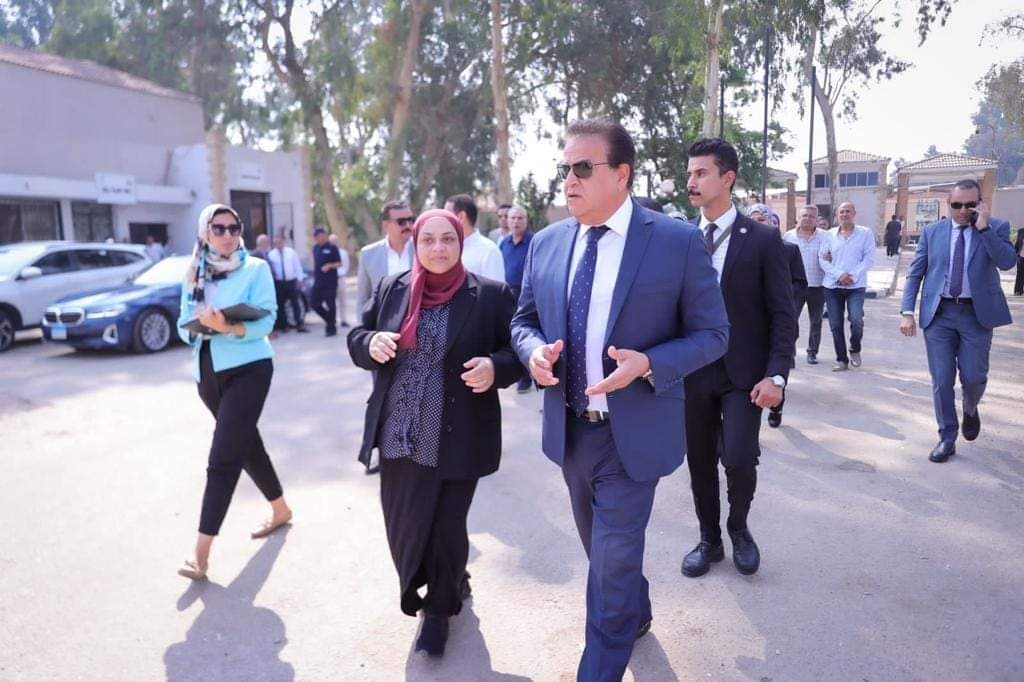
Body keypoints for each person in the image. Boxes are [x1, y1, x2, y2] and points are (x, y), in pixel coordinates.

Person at [510, 119, 729, 680]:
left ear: (622, 174)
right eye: (565, 169)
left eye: (584, 168)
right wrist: (533, 352)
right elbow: (523, 320)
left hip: (632, 434)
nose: (570, 180)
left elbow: (713, 334)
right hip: (570, 430)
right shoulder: (547, 243)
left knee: (608, 568)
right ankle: (638, 611)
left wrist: (649, 363)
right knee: (605, 551)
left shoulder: (676, 241)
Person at [347, 209, 522, 657]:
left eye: (448, 239)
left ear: (461, 243)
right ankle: (450, 578)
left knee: (446, 526)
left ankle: (440, 609)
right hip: (400, 431)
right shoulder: (393, 287)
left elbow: (516, 352)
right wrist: (369, 343)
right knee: (406, 525)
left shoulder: (489, 295)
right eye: (428, 240)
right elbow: (358, 335)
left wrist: (495, 367)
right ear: (416, 244)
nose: (438, 248)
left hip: (458, 431)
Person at [680, 138, 795, 581]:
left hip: (744, 373)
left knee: (740, 457)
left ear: (727, 178)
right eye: (689, 173)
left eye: (701, 173)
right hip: (692, 372)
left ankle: (739, 528)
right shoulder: (680, 239)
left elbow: (783, 314)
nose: (691, 181)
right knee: (699, 461)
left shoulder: (762, 239)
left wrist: (777, 376)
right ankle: (709, 538)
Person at [175, 204, 292, 581]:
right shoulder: (194, 272)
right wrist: (199, 325)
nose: (227, 235)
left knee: (223, 457)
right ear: (204, 233)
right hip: (207, 374)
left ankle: (201, 554)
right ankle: (280, 509)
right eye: (218, 228)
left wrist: (227, 326)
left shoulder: (255, 269)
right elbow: (181, 329)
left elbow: (268, 320)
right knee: (245, 443)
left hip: (250, 369)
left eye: (234, 228)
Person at [899, 179, 1017, 463]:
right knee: (942, 380)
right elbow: (916, 273)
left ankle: (970, 407)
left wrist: (984, 229)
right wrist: (907, 312)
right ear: (948, 203)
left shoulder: (996, 227)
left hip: (976, 315)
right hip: (939, 314)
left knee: (974, 377)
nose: (963, 210)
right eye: (957, 205)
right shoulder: (932, 232)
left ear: (980, 203)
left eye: (970, 205)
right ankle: (947, 437)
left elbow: (1007, 262)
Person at [820, 201, 874, 371]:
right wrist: (839, 275)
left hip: (856, 286)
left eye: (848, 211)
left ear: (854, 214)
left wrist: (852, 276)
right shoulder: (829, 235)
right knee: (835, 324)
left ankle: (855, 348)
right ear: (837, 215)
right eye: (842, 212)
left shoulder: (865, 233)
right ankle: (841, 359)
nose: (844, 214)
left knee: (856, 319)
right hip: (832, 286)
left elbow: (869, 259)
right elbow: (822, 259)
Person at [783, 205, 829, 364]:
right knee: (790, 320)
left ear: (816, 219)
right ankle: (789, 354)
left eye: (811, 216)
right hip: (795, 286)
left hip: (817, 285)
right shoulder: (788, 236)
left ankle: (812, 352)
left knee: (816, 321)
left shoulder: (825, 236)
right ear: (798, 218)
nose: (807, 218)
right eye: (804, 215)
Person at [499, 205, 534, 393]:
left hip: (528, 296)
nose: (516, 222)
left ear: (526, 221)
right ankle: (517, 371)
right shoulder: (503, 244)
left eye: (520, 218)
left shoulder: (534, 242)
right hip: (507, 295)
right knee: (510, 335)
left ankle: (526, 376)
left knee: (526, 334)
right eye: (512, 218)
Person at [356, 200, 415, 314]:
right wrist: (363, 324)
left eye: (410, 220)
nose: (408, 225)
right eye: (401, 222)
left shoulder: (422, 250)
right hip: (382, 322)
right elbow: (362, 300)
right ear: (386, 225)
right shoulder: (368, 254)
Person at [444, 194, 506, 282]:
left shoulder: (489, 251)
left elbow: (497, 288)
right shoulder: (445, 249)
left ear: (461, 217)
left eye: (447, 215)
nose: (442, 219)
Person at [267, 232, 308, 335]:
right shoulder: (271, 254)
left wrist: (300, 279)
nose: (278, 244)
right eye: (276, 243)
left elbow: (297, 266)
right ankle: (284, 326)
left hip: (291, 281)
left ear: (283, 242)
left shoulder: (291, 252)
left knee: (295, 303)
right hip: (279, 282)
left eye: (280, 242)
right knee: (280, 305)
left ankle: (300, 324)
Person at [310, 227, 342, 336]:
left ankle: (331, 329)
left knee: (331, 305)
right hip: (318, 282)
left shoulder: (332, 247)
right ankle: (330, 320)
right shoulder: (315, 248)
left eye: (318, 237)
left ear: (323, 236)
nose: (317, 239)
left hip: (330, 283)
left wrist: (329, 265)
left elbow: (339, 263)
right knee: (313, 303)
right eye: (315, 237)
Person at [328, 233, 352, 327]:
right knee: (332, 301)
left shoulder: (343, 252)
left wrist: (343, 272)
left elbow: (346, 265)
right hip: (331, 280)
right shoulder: (328, 252)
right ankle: (333, 319)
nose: (333, 243)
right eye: (331, 241)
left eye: (335, 241)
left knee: (343, 300)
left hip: (341, 277)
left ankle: (343, 319)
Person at [1013, 228, 1024, 296]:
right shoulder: (1021, 231)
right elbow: (1017, 243)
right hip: (1021, 256)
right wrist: (1015, 254)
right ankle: (1018, 290)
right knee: (1019, 273)